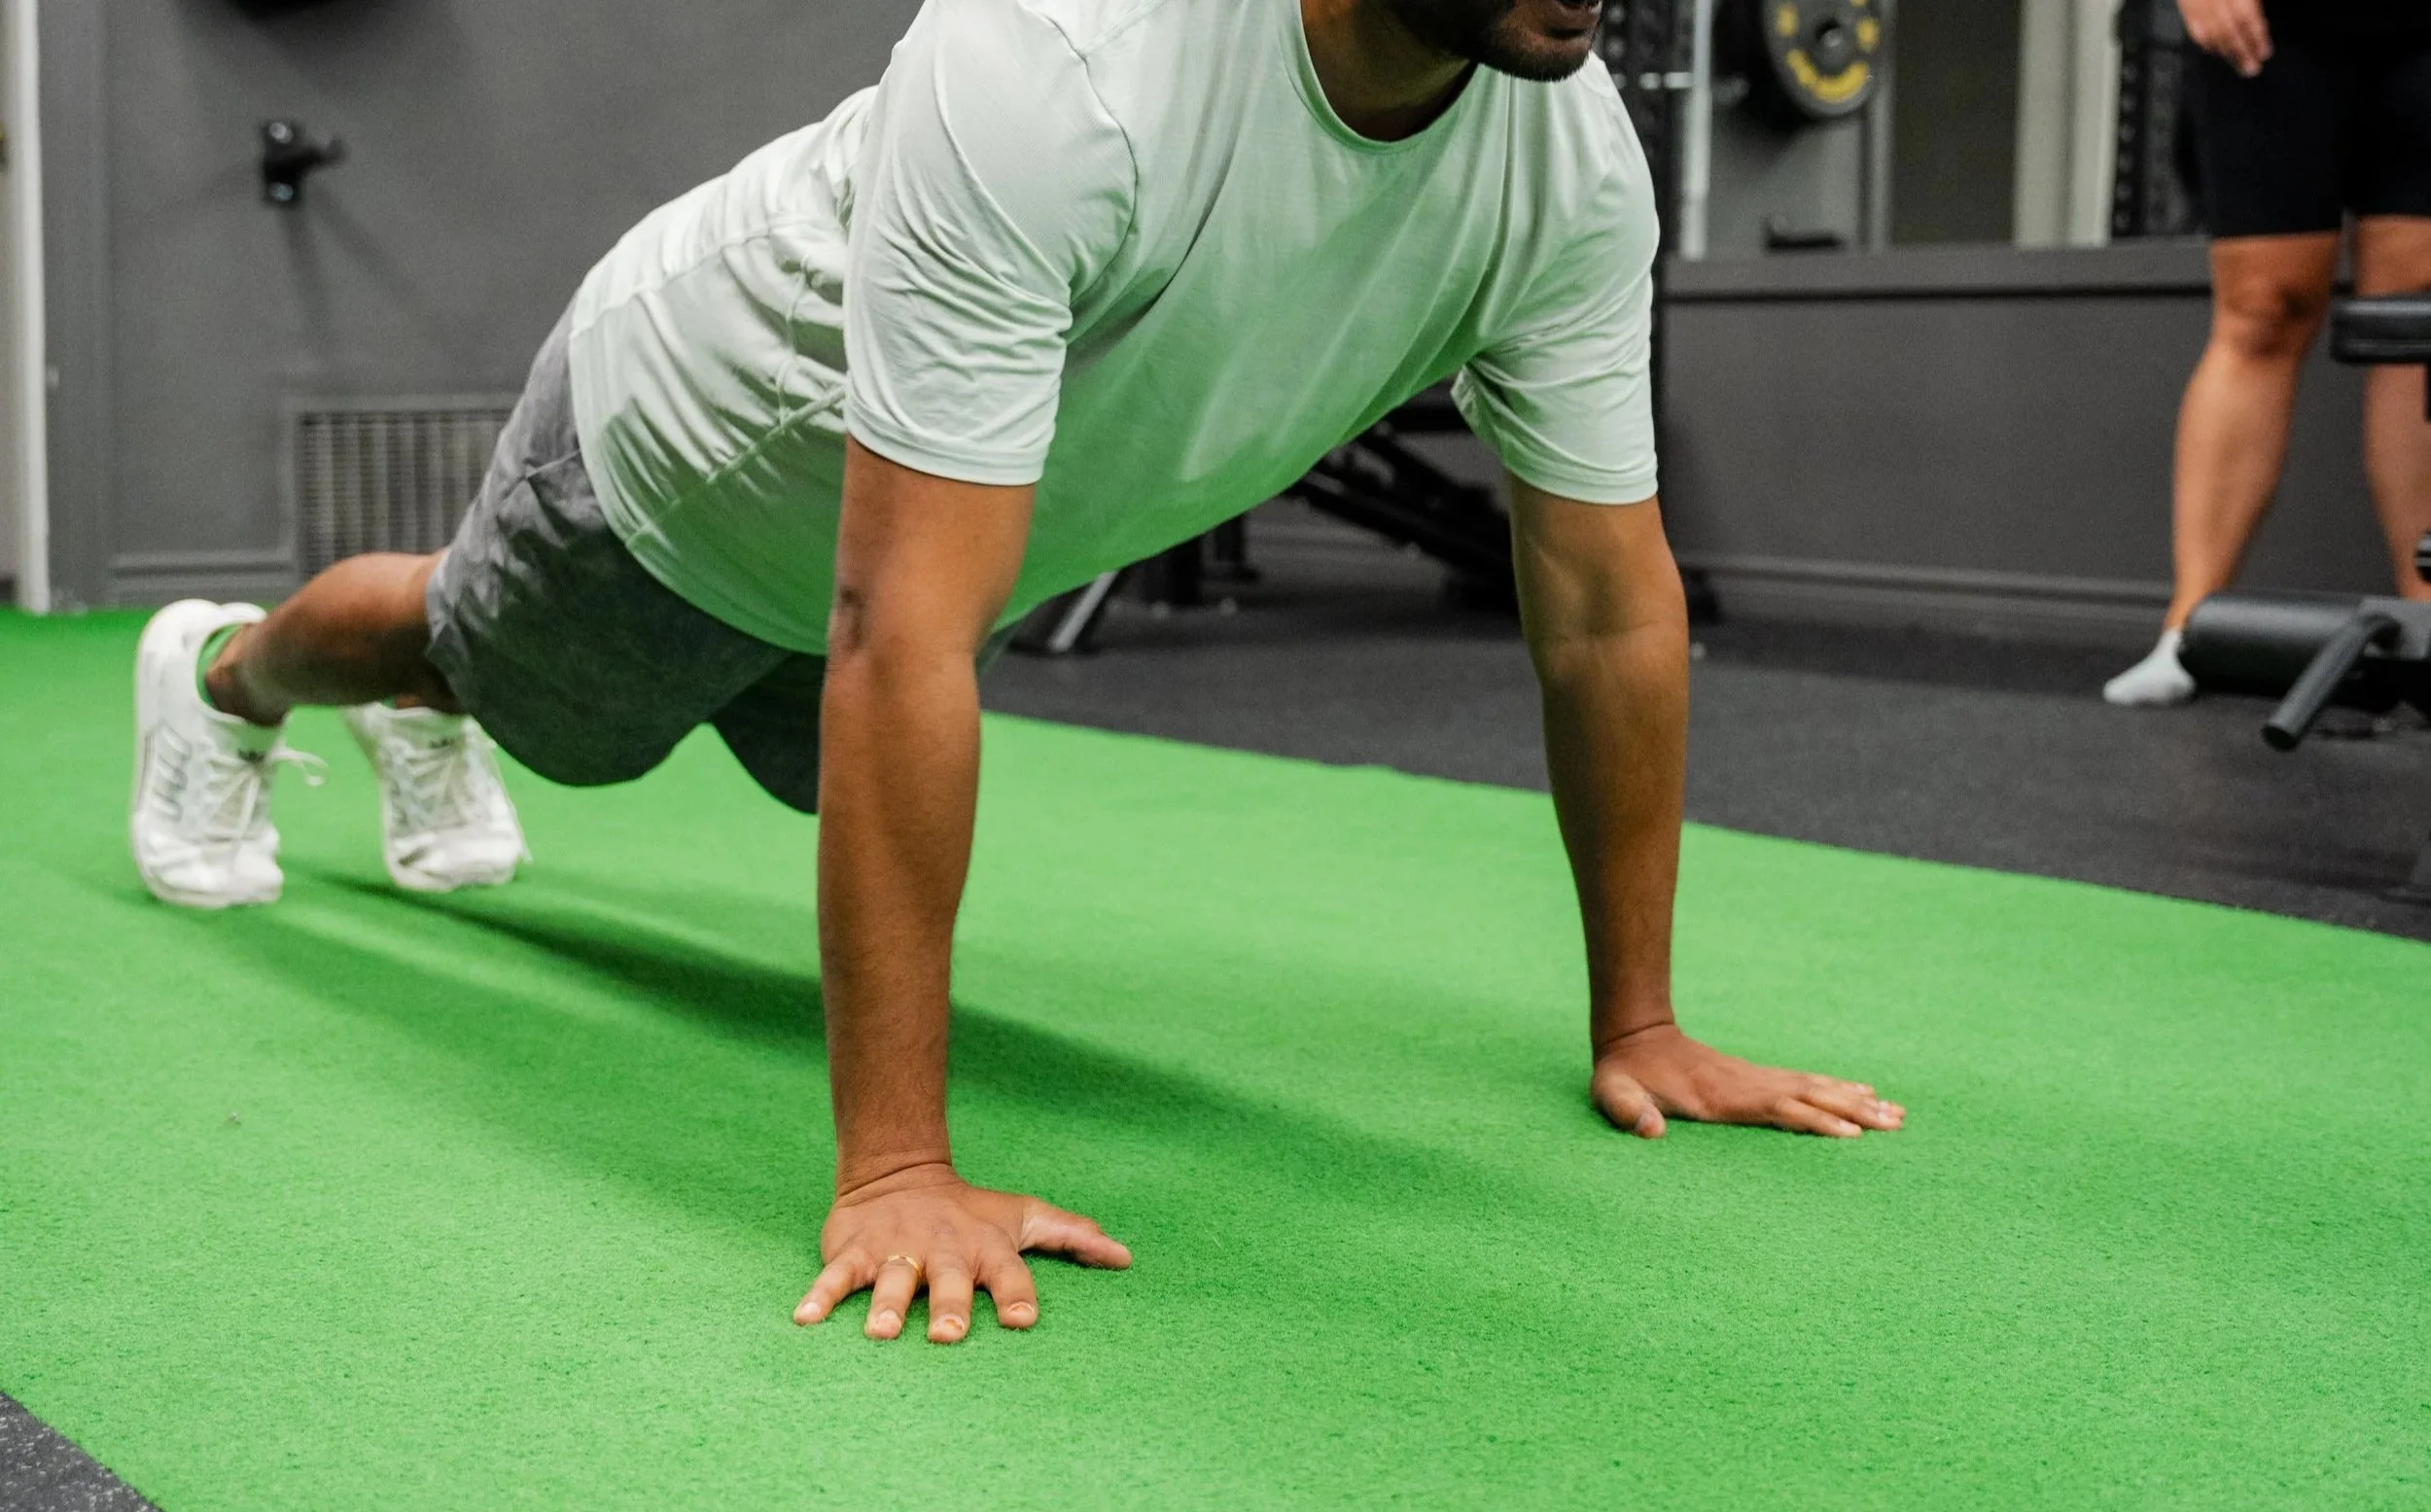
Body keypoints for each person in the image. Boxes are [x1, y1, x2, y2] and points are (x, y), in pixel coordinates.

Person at [128, 0, 1906, 1342]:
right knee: (474, 657)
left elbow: (1604, 602)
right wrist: (897, 1169)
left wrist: (1644, 1021)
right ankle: (225, 680)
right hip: (690, 449)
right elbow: (899, 627)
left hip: (903, 548)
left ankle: (417, 717)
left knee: (832, 755)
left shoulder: (1570, 166)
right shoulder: (1066, 58)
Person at [2105, 0, 2431, 707]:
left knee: (2413, 321)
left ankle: (2429, 629)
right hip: (2270, 25)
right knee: (2262, 307)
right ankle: (2190, 630)